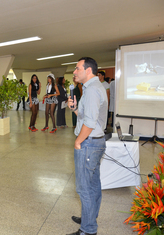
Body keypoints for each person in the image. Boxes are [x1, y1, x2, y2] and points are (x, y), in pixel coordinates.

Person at [67, 57, 108, 235]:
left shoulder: (91, 91)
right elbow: (86, 116)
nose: (75, 72)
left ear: (88, 70)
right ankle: (89, 217)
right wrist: (75, 108)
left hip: (89, 143)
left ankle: (88, 230)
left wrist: (78, 142)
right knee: (93, 185)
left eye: (77, 69)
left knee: (84, 187)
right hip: (96, 142)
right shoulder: (94, 87)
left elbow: (90, 123)